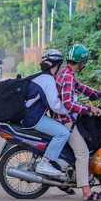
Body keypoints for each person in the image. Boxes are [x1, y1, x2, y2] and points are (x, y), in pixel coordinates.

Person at [54, 43, 101, 201]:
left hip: (69, 118)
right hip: (66, 120)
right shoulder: (67, 76)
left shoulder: (66, 72)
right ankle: (86, 193)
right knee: (82, 153)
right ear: (82, 62)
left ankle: (66, 180)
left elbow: (81, 88)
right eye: (84, 61)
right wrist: (89, 109)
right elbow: (68, 104)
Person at [21, 49, 71, 178]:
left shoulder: (40, 75)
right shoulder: (48, 80)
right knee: (63, 133)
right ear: (57, 65)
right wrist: (70, 108)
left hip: (28, 114)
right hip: (33, 118)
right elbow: (55, 105)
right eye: (60, 66)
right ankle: (44, 163)